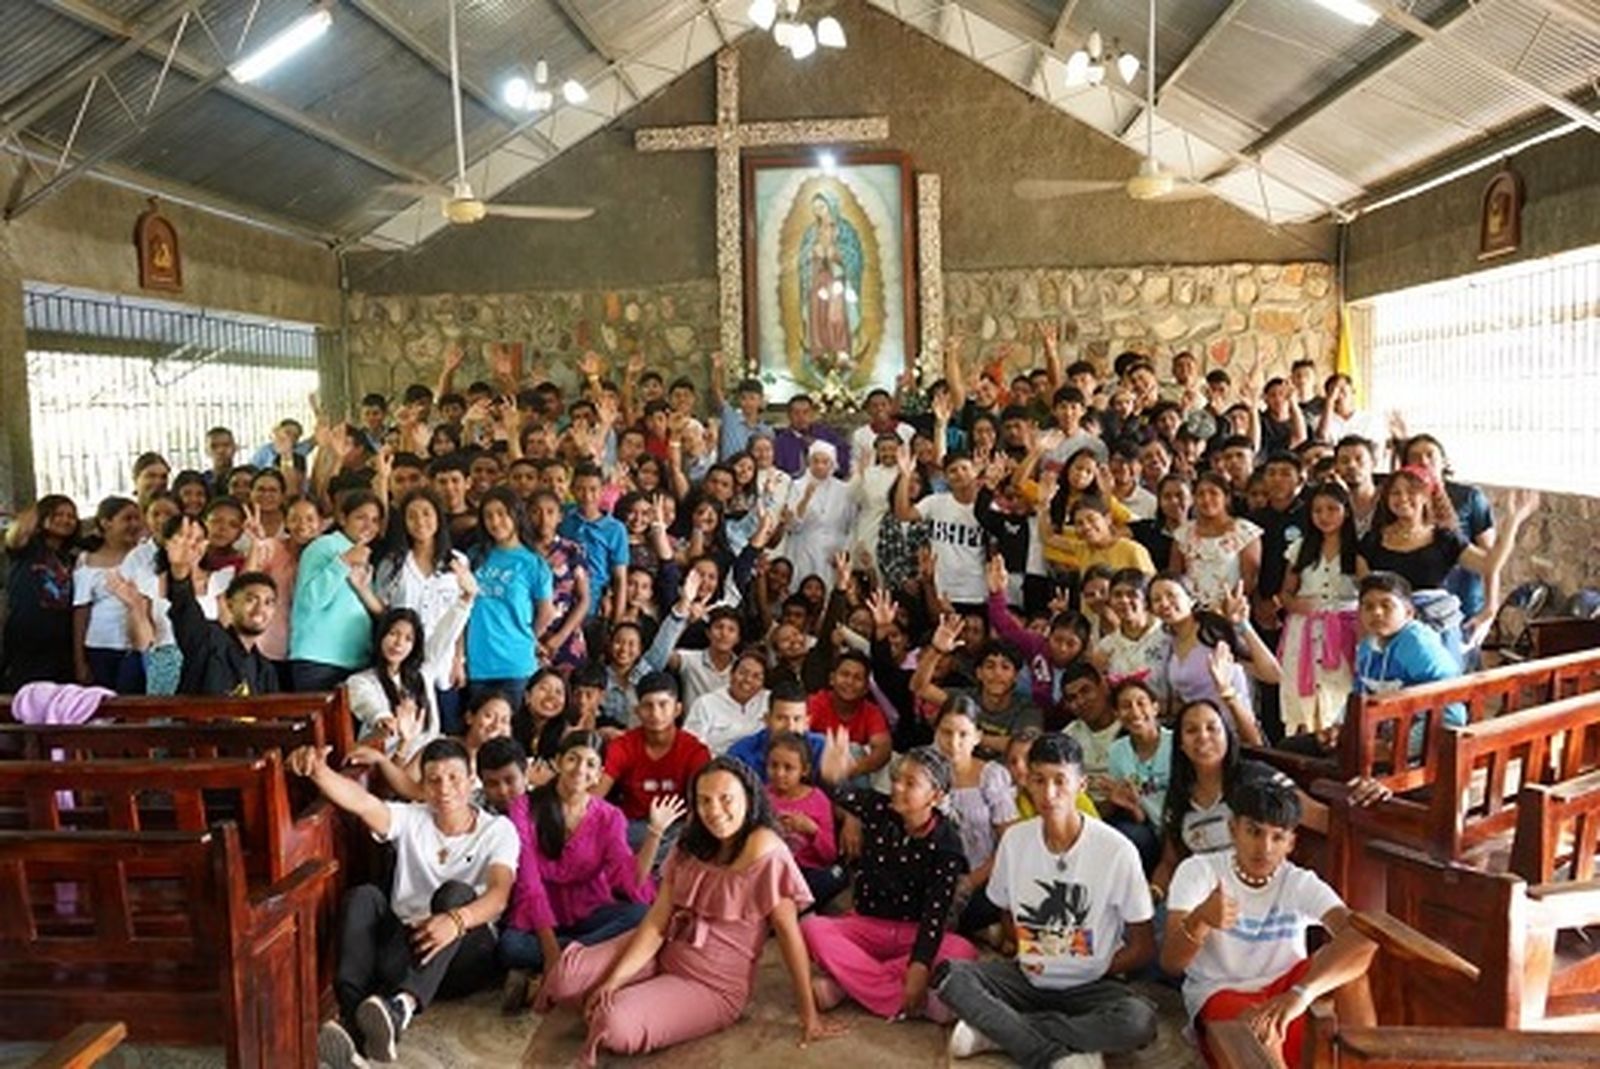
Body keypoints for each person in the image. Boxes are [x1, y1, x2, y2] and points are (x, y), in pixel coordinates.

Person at [535, 756, 845, 1065]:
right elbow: (657, 921)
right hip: (664, 950)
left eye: (726, 799)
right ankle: (627, 990)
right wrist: (615, 979)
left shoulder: (765, 848)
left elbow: (790, 936)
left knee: (613, 1023)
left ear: (749, 800)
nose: (714, 811)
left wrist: (809, 1016)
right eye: (704, 801)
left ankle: (627, 1002)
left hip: (710, 985)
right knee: (565, 977)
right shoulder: (691, 842)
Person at [936, 733, 1159, 1068]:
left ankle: (998, 1034)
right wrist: (1037, 953)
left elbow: (1142, 947)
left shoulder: (1117, 850)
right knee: (951, 977)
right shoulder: (1014, 840)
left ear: (1081, 784)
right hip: (1029, 977)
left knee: (1139, 1020)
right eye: (1039, 780)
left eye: (1060, 781)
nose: (1049, 793)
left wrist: (1090, 966)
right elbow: (1008, 916)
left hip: (1091, 985)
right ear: (1027, 782)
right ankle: (1062, 1053)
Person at [291, 738, 517, 1068]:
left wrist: (455, 920)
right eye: (434, 780)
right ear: (422, 787)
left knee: (454, 893)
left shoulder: (498, 830)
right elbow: (363, 803)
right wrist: (318, 771)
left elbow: (499, 896)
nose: (445, 789)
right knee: (363, 896)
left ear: (472, 782)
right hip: (407, 944)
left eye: (454, 778)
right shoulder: (412, 817)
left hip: (463, 953)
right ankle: (353, 1022)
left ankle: (401, 1006)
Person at [1162, 773, 1376, 1068]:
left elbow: (1361, 940)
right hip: (1222, 993)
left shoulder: (1299, 882)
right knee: (1259, 1028)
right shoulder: (1198, 871)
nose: (1264, 848)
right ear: (1233, 829)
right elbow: (1171, 962)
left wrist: (1300, 993)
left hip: (1288, 990)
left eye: (1277, 837)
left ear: (1291, 843)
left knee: (1352, 972)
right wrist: (1201, 919)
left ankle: (1363, 1064)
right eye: (1254, 832)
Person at [480, 733, 676, 1012]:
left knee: (641, 915)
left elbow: (630, 882)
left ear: (599, 775)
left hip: (590, 909)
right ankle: (579, 966)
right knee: (509, 947)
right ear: (558, 762)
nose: (580, 769)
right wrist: (549, 952)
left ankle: (546, 973)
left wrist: (655, 833)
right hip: (538, 916)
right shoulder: (524, 807)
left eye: (590, 764)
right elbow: (529, 883)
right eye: (573, 758)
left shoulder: (610, 816)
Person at [803, 734, 980, 1022]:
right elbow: (839, 792)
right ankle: (913, 1001)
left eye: (910, 783)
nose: (897, 787)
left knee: (962, 951)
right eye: (897, 779)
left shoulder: (948, 843)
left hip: (914, 933)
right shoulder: (878, 809)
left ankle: (848, 987)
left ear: (935, 796)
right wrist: (830, 774)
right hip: (868, 925)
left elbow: (936, 913)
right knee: (812, 929)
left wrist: (920, 965)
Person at [374, 488, 475, 735]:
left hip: (444, 657)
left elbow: (462, 614)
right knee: (412, 729)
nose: (420, 522)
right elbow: (382, 613)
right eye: (412, 516)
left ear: (439, 518)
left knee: (448, 728)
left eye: (427, 514)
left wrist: (458, 659)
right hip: (403, 658)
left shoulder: (458, 563)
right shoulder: (393, 563)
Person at [1278, 483, 1360, 743]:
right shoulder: (1301, 548)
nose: (1324, 517)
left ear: (1346, 511)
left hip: (1343, 631)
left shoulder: (1357, 550)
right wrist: (1296, 605)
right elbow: (1285, 594)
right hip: (1303, 630)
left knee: (1337, 692)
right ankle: (1302, 745)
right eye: (1318, 511)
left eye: (1332, 509)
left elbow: (1369, 592)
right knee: (1302, 694)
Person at [595, 671, 712, 853]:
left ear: (677, 710)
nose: (655, 713)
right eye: (647, 706)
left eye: (663, 705)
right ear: (637, 711)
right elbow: (596, 795)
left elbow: (698, 808)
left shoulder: (695, 751)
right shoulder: (623, 745)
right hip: (633, 826)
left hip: (676, 828)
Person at [1148, 575, 1275, 741]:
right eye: (1156, 599)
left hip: (1238, 732)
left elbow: (1272, 675)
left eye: (1171, 595)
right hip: (1200, 736)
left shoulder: (1213, 631)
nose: (1164, 603)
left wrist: (1243, 625)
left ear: (1192, 598)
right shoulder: (1166, 643)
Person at [163, 517, 280, 696]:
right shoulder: (208, 640)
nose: (260, 609)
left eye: (268, 602)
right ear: (230, 604)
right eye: (250, 599)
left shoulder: (265, 670)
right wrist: (180, 571)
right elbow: (184, 606)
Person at [933, 695, 1019, 936]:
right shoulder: (928, 774)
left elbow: (1009, 842)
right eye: (946, 733)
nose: (953, 742)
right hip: (940, 874)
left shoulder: (991, 776)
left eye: (963, 734)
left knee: (955, 912)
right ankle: (982, 932)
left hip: (986, 876)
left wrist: (971, 881)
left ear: (977, 737)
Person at [465, 488, 554, 711]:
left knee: (513, 734)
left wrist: (528, 639)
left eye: (502, 513)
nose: (495, 522)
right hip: (479, 661)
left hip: (517, 663)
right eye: (488, 515)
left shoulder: (533, 563)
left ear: (516, 515)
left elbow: (546, 612)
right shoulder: (474, 556)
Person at [289, 489, 385, 692]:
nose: (369, 525)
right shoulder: (323, 546)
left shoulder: (365, 555)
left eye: (375, 520)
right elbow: (310, 600)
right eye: (361, 517)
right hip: (318, 659)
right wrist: (344, 562)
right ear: (342, 518)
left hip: (355, 660)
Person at [2, 495, 80, 690]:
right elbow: (18, 535)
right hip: (27, 636)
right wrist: (31, 515)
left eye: (71, 516)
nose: (65, 520)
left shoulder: (72, 557)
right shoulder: (28, 548)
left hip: (61, 640)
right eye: (58, 514)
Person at [896, 447, 989, 611]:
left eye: (964, 468)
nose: (959, 473)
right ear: (945, 478)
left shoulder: (988, 507)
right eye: (953, 471)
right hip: (941, 591)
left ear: (975, 471)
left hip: (976, 591)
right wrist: (905, 476)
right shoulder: (935, 502)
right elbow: (903, 514)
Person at [72, 496, 146, 694]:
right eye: (127, 519)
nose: (134, 525)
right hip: (99, 646)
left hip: (137, 645)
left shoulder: (146, 556)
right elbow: (81, 612)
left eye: (137, 519)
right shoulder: (87, 560)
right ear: (106, 523)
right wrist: (80, 661)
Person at [765, 730, 847, 909]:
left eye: (788, 768)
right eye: (773, 765)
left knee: (834, 876)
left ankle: (790, 910)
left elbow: (830, 855)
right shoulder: (762, 797)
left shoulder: (818, 799)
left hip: (807, 872)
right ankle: (789, 910)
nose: (779, 773)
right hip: (774, 871)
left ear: (805, 770)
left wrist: (812, 830)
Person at [1102, 680, 1173, 873]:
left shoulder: (1176, 743)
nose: (1134, 712)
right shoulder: (1117, 751)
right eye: (1125, 706)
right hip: (1149, 831)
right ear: (1116, 714)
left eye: (1141, 703)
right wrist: (1131, 807)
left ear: (1155, 707)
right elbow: (1139, 814)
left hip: (1179, 828)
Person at [347, 608, 438, 754]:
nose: (398, 643)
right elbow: (366, 703)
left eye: (408, 639)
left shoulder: (424, 676)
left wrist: (463, 604)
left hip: (425, 763)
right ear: (381, 636)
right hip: (383, 763)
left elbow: (446, 636)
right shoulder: (361, 681)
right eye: (393, 634)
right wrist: (383, 718)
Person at [1171, 473, 1261, 611]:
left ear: (1226, 498)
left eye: (1214, 493)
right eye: (1200, 494)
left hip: (1231, 611)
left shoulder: (1245, 531)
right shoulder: (1183, 534)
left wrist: (1225, 607)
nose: (1207, 499)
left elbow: (1249, 579)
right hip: (1190, 611)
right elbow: (1175, 576)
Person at [558, 463, 629, 626]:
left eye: (593, 489)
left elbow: (620, 578)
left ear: (603, 489)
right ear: (572, 489)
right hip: (561, 600)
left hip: (594, 606)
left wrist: (617, 621)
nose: (587, 496)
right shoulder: (563, 516)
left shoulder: (615, 529)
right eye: (580, 489)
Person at [783, 440, 855, 593]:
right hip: (804, 549)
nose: (820, 466)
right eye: (815, 461)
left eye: (825, 461)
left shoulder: (845, 489)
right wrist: (806, 498)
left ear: (833, 464)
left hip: (833, 552)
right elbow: (792, 526)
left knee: (831, 594)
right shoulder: (797, 486)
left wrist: (845, 551)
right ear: (809, 463)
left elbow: (852, 525)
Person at [727, 679, 827, 781]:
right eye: (781, 718)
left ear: (807, 722)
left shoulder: (821, 748)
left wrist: (835, 781)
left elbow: (836, 793)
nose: (790, 727)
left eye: (797, 719)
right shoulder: (741, 754)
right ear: (767, 719)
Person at [683, 648, 771, 755]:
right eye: (743, 673)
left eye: (756, 676)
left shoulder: (770, 701)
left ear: (763, 683)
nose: (748, 680)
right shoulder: (705, 704)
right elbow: (691, 745)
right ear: (731, 674)